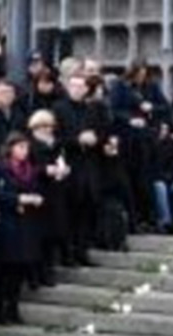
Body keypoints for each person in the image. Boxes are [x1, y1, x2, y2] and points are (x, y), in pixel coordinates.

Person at [0, 132, 45, 324]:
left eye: (26, 148)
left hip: (25, 224)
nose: (24, 151)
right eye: (20, 147)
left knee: (19, 270)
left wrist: (36, 198)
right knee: (5, 270)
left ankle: (13, 308)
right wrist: (16, 199)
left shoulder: (30, 169)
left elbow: (36, 188)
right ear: (10, 148)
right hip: (6, 224)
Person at [54, 72, 108, 266]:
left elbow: (102, 133)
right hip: (70, 166)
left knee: (86, 210)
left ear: (86, 89)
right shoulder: (58, 108)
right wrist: (77, 139)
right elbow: (55, 139)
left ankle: (82, 251)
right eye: (73, 86)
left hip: (90, 166)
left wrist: (97, 140)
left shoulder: (92, 109)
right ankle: (67, 254)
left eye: (80, 86)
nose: (76, 90)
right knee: (70, 212)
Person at [110, 61, 168, 231]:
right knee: (130, 181)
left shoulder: (152, 87)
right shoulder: (121, 86)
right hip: (127, 139)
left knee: (146, 180)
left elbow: (165, 107)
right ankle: (134, 219)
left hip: (145, 139)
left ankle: (147, 219)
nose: (141, 78)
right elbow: (114, 109)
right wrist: (130, 119)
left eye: (144, 74)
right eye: (138, 74)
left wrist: (152, 107)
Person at [26, 109, 68, 287]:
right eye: (44, 126)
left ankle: (48, 271)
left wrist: (64, 169)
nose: (48, 129)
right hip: (38, 192)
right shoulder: (29, 145)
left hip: (54, 192)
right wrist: (45, 170)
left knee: (51, 235)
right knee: (38, 237)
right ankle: (36, 275)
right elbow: (27, 168)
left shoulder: (56, 144)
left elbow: (62, 160)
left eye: (50, 126)